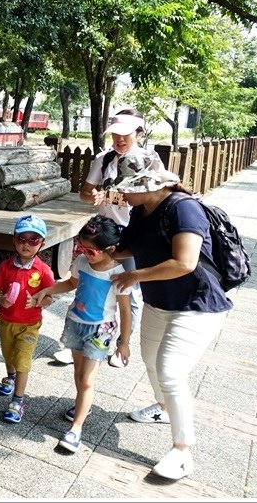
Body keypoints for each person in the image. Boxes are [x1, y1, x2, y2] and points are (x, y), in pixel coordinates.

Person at [108, 151, 232, 480]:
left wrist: (134, 276)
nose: (123, 195)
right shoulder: (140, 210)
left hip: (196, 304)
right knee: (150, 358)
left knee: (170, 369)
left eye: (128, 188)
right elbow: (130, 247)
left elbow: (185, 262)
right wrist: (101, 253)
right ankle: (163, 409)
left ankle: (182, 451)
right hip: (159, 301)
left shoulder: (183, 208)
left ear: (148, 184)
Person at [52, 108, 158, 368]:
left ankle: (121, 343)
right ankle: (78, 342)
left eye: (126, 134)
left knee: (126, 290)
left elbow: (153, 196)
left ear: (139, 133)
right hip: (101, 231)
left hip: (131, 233)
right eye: (116, 134)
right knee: (86, 281)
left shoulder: (150, 159)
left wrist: (110, 196)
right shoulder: (104, 158)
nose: (120, 139)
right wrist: (95, 196)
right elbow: (85, 194)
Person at [28, 215, 131, 453]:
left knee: (86, 380)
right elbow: (71, 284)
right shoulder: (82, 262)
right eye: (81, 247)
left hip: (100, 330)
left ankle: (76, 429)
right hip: (75, 322)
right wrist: (47, 289)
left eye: (90, 250)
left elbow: (126, 311)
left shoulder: (118, 274)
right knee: (78, 373)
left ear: (110, 249)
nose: (83, 252)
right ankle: (82, 404)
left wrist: (124, 343)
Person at [0, 214, 56, 424]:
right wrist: (1, 298)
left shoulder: (43, 270)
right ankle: (10, 378)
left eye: (33, 240)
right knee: (8, 353)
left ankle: (17, 401)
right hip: (6, 319)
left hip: (29, 324)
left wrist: (37, 302)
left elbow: (50, 297)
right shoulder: (6, 266)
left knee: (23, 360)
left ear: (42, 243)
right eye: (22, 239)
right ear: (14, 240)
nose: (26, 245)